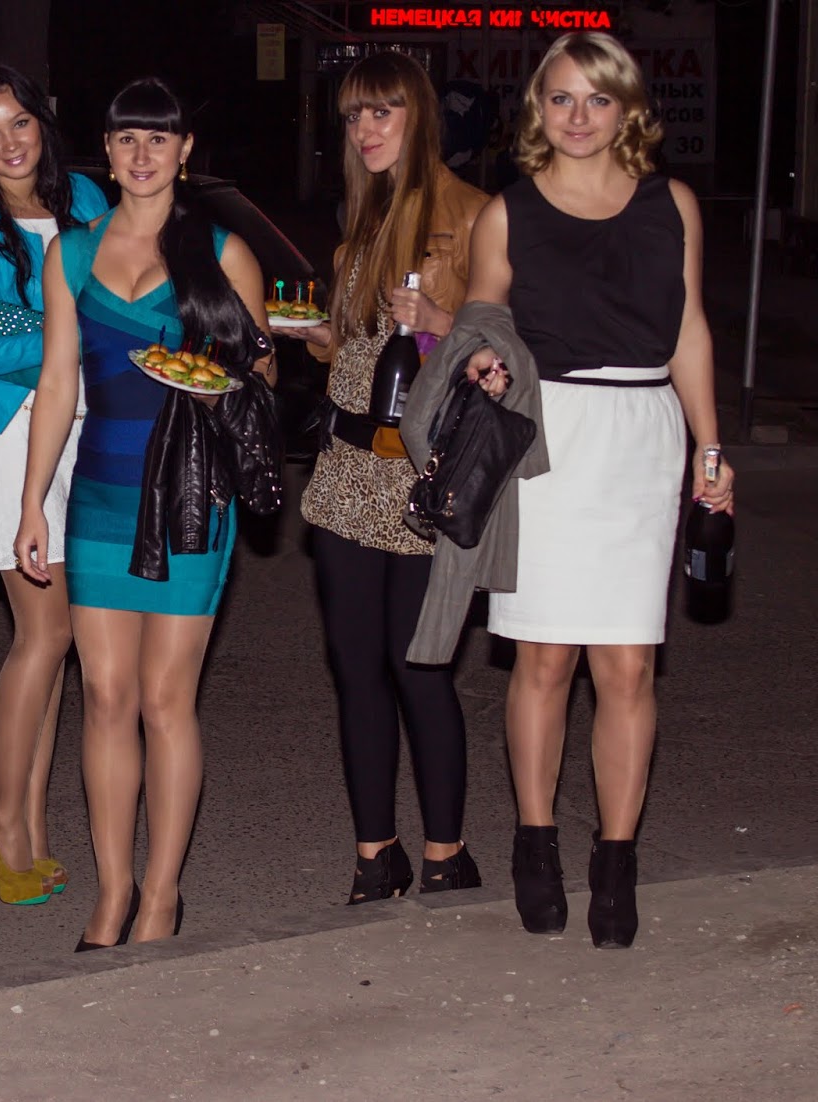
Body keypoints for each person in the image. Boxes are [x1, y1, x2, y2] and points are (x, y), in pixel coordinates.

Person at [462, 32, 735, 948]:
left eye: (597, 99)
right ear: (537, 109)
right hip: (548, 435)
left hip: (642, 437)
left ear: (627, 109)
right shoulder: (507, 213)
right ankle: (535, 843)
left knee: (627, 665)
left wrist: (710, 449)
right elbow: (480, 325)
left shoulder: (672, 205)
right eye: (561, 98)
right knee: (544, 659)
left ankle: (617, 861)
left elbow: (689, 330)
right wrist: (485, 362)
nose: (578, 116)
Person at [14, 78, 274, 948]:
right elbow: (58, 382)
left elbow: (264, 374)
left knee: (166, 700)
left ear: (184, 150)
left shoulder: (222, 251)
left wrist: (220, 374)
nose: (142, 154)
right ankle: (112, 891)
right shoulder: (72, 253)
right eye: (127, 138)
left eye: (159, 138)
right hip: (98, 493)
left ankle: (162, 894)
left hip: (190, 494)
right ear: (107, 148)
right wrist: (32, 503)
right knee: (104, 697)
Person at [283, 52, 489, 905]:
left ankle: (447, 853)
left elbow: (513, 351)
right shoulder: (360, 224)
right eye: (353, 116)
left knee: (419, 667)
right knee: (355, 668)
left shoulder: (472, 216)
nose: (364, 130)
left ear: (419, 116)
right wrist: (313, 336)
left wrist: (444, 321)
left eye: (381, 111)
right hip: (344, 473)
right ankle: (377, 854)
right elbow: (357, 348)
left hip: (419, 480)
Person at [0, 64, 109, 906]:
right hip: (11, 433)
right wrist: (59, 331)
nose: (8, 144)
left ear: (44, 123)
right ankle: (1, 820)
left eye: (20, 123)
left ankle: (31, 829)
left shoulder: (87, 200)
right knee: (43, 634)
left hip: (89, 430)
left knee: (61, 640)